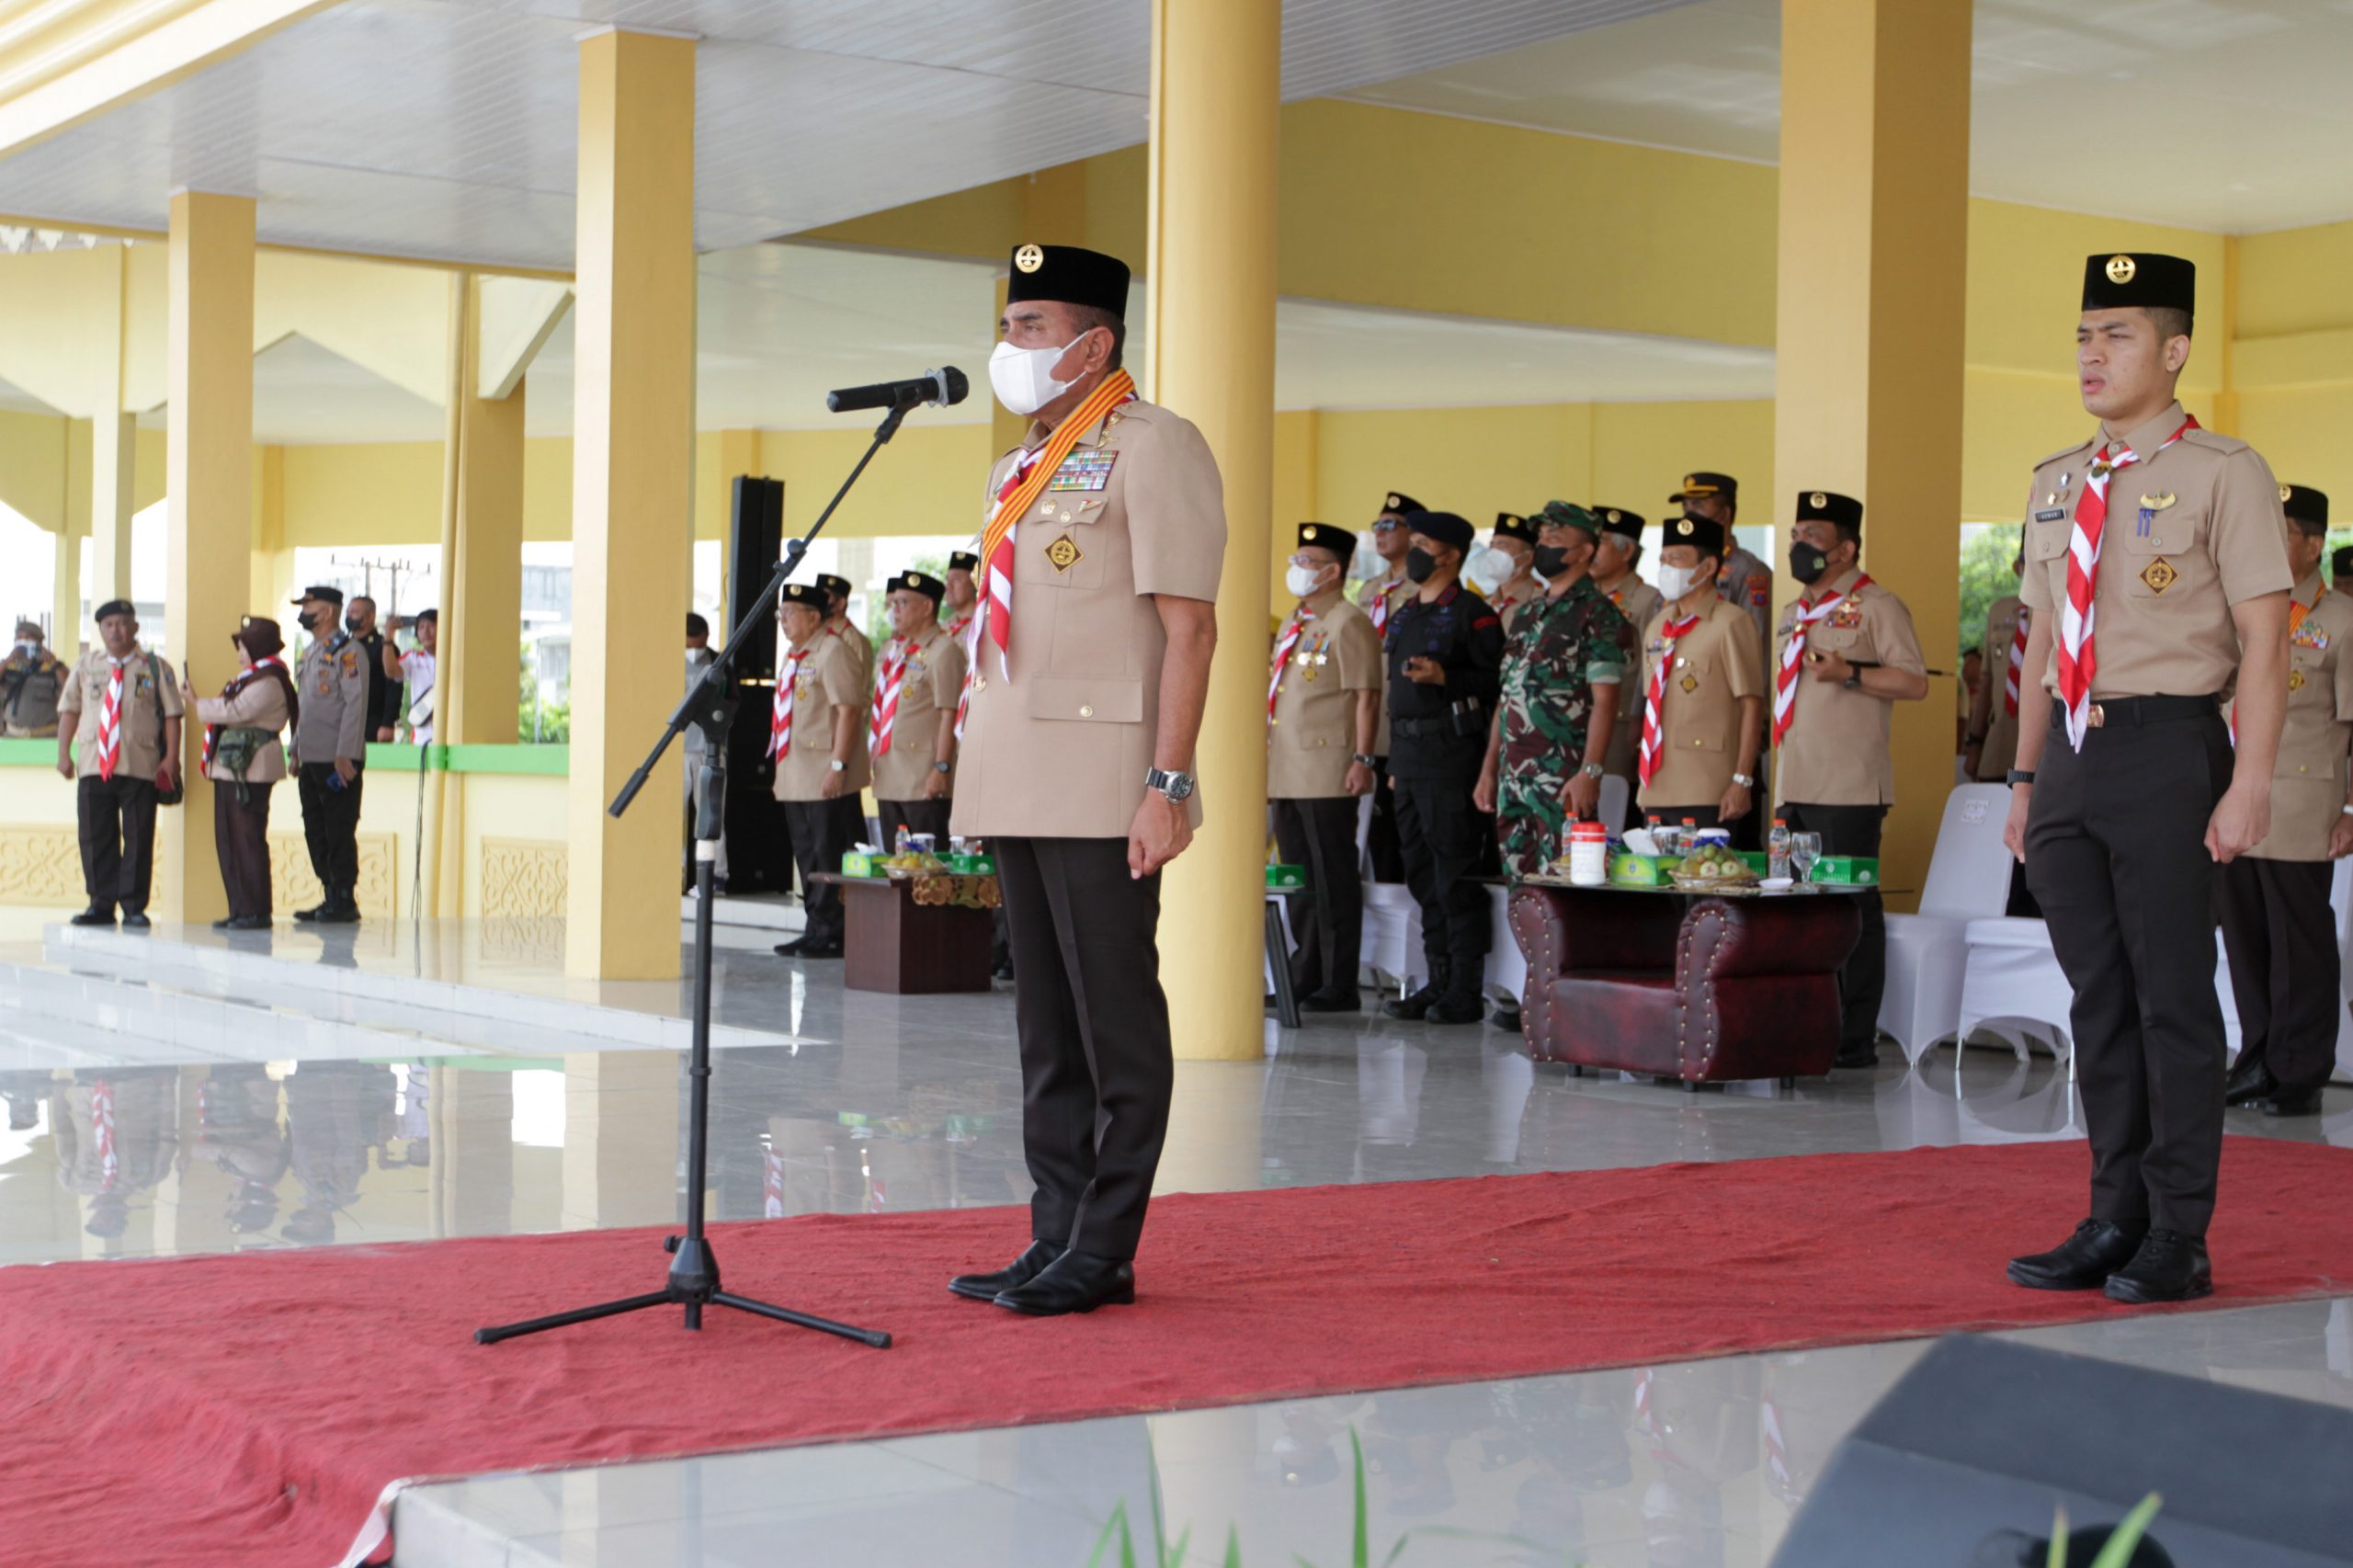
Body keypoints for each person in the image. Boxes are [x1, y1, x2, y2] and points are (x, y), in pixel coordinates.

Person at [2004, 252, 2291, 1307]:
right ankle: (2111, 1214)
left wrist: (2249, 780)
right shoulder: (2055, 480)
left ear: (2174, 351)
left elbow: (2266, 639)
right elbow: (2041, 643)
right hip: (2069, 759)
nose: (2092, 353)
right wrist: (2023, 781)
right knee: (2098, 998)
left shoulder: (2225, 471)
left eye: (2117, 334)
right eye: (2084, 335)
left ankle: (2177, 1230)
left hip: (2169, 746)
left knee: (2172, 996)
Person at [946, 243, 1222, 1317]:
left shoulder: (1155, 445)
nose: (1010, 344)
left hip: (1105, 773)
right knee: (1044, 1026)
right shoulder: (1018, 464)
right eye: (1008, 325)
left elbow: (1190, 630)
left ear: (1093, 344)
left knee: (1114, 1019)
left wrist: (1168, 783)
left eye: (1031, 326)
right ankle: (1053, 1230)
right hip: (1016, 765)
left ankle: (1104, 1246)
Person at [1771, 490, 1929, 1068]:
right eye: (1795, 535)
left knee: (1850, 910)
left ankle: (1854, 1036)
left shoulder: (1877, 605)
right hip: (1795, 782)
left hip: (1848, 787)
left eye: (1812, 536)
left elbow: (1914, 682)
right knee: (1796, 911)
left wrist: (1852, 674)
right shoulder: (1792, 613)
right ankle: (1806, 1023)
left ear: (1845, 548)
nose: (1799, 545)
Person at [2216, 484, 2347, 1121]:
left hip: (2300, 803)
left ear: (2314, 545)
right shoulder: (2245, 610)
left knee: (2300, 944)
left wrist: (2352, 810)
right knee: (2246, 939)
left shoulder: (2342, 620)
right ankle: (2258, 1059)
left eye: (2283, 532)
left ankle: (2299, 1074)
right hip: (2236, 798)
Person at [1381, 510, 1504, 1026]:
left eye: (1423, 543)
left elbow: (1497, 685)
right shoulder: (1406, 612)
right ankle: (1436, 979)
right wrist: (1394, 762)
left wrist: (1445, 678)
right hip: (1408, 758)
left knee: (1455, 874)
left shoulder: (1473, 613)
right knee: (1421, 875)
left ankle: (1464, 989)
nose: (1413, 550)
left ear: (1451, 555)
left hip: (1452, 755)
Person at [1476, 501, 1630, 883]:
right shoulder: (1526, 614)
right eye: (1542, 536)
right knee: (1519, 891)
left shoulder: (1598, 614)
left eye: (1555, 537)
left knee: (1565, 888)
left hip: (1561, 777)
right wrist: (1489, 769)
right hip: (1513, 778)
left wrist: (1590, 772)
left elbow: (1606, 701)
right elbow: (1508, 696)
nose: (1544, 544)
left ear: (1584, 551)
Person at [1267, 522, 1382, 1013]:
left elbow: (1366, 697)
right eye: (1296, 560)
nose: (1297, 569)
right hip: (1286, 768)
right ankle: (1304, 971)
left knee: (1331, 877)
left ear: (1333, 572)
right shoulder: (1298, 623)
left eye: (1307, 562)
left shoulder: (1347, 622)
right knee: (1297, 877)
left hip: (1327, 768)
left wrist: (1362, 758)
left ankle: (1338, 982)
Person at [1632, 514, 1766, 830]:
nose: (1666, 568)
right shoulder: (1658, 626)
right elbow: (1653, 705)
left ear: (1707, 567)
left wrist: (1742, 779)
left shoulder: (1731, 622)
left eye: (1677, 559)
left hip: (1708, 786)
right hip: (1656, 784)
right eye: (1663, 559)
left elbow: (1752, 704)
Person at [54, 600, 181, 928]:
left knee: (139, 837)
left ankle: (134, 906)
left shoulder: (154, 666)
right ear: (100, 629)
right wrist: (63, 753)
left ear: (135, 627)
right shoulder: (86, 666)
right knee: (95, 836)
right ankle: (100, 904)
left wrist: (171, 759)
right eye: (109, 624)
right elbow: (70, 710)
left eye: (123, 623)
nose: (116, 631)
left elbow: (172, 715)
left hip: (140, 764)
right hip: (94, 764)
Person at [769, 580, 869, 960]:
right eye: (781, 614)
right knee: (807, 855)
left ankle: (835, 931)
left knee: (829, 853)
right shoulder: (793, 656)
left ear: (814, 618)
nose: (784, 620)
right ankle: (815, 926)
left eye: (791, 613)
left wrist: (839, 766)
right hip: (795, 773)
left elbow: (849, 712)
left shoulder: (833, 651)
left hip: (824, 773)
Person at [195, 616, 297, 930]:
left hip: (251, 769)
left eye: (244, 647)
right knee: (229, 839)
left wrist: (196, 702)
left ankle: (255, 910)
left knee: (247, 839)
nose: (240, 654)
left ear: (259, 647)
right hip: (232, 768)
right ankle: (239, 908)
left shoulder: (269, 680)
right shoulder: (253, 677)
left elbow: (234, 712)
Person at [289, 585, 369, 925]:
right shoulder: (310, 652)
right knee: (315, 827)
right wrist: (296, 749)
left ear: (326, 612)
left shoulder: (348, 652)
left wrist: (346, 753)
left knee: (338, 828)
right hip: (311, 755)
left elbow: (355, 704)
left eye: (309, 607)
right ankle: (329, 893)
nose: (303, 613)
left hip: (338, 759)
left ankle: (344, 897)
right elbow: (304, 707)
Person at [870, 569, 965, 848]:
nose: (895, 611)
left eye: (903, 603)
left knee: (929, 866)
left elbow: (950, 714)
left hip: (923, 778)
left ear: (927, 607)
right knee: (896, 863)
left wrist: (941, 768)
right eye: (893, 604)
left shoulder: (944, 650)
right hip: (890, 774)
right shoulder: (898, 652)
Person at [1356, 490, 1422, 883]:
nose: (1379, 533)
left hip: (1404, 722)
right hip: (1370, 727)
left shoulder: (1423, 586)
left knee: (1405, 832)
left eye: (1389, 525)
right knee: (1374, 833)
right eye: (1376, 526)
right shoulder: (1369, 590)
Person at [1591, 508, 1664, 794]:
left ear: (1627, 551)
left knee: (1613, 797)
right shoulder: (1586, 598)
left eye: (1601, 542)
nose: (1591, 550)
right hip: (1583, 718)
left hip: (1621, 721)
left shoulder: (1648, 599)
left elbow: (1652, 666)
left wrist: (1639, 718)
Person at [1669, 473, 1774, 647]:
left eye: (1698, 505)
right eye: (1685, 506)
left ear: (1724, 513)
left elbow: (1754, 642)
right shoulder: (1679, 567)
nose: (1689, 514)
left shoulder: (1749, 571)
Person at [1963, 551, 2029, 784]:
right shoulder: (2000, 612)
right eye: (2027, 562)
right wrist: (1975, 742)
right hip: (1999, 740)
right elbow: (1987, 680)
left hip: (2041, 745)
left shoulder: (2062, 613)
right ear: (2017, 566)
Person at [682, 611, 729, 888]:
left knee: (711, 814)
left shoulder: (719, 662)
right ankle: (678, 872)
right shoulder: (668, 660)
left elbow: (732, 702)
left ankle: (716, 874)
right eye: (689, 645)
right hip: (677, 750)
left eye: (698, 644)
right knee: (674, 817)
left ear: (707, 637)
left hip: (708, 749)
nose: (694, 651)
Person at [344, 596, 404, 744]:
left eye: (354, 612)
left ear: (370, 617)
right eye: (348, 612)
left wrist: (388, 723)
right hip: (344, 722)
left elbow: (394, 687)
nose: (349, 617)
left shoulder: (384, 647)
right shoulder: (343, 646)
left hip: (373, 724)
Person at [1, 619, 66, 736]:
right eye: (19, 638)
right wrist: (8, 661)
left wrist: (54, 664)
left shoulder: (53, 667)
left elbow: (69, 688)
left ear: (39, 642)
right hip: (12, 735)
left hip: (46, 736)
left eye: (27, 638)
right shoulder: (8, 666)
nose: (23, 642)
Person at [383, 608, 437, 744]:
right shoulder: (413, 658)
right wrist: (388, 636)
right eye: (421, 627)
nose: (426, 631)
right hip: (423, 737)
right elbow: (391, 671)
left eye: (431, 625)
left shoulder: (459, 658)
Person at [816, 572, 874, 692]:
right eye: (817, 596)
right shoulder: (817, 635)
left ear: (841, 603)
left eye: (825, 596)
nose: (819, 601)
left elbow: (860, 688)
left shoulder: (854, 640)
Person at [1485, 512, 1543, 630]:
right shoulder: (1484, 605)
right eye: (1492, 545)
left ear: (1528, 557)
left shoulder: (1541, 603)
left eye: (1503, 545)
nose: (1494, 552)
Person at [941, 551, 980, 641]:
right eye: (947, 580)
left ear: (974, 583)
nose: (948, 586)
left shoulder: (984, 623)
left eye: (955, 579)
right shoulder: (944, 627)